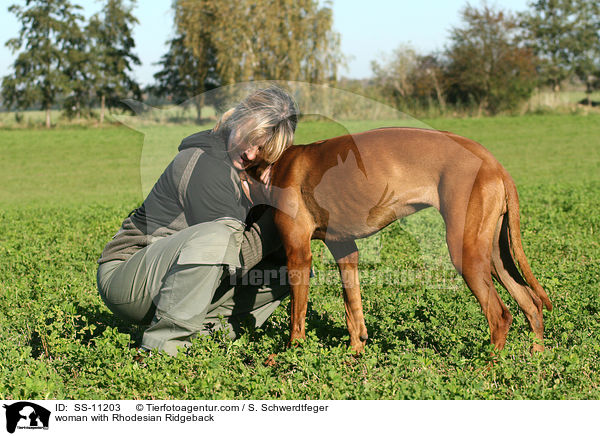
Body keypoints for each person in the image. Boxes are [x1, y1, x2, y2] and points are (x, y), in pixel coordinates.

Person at [96, 86, 298, 356]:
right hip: (128, 276)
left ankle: (207, 338)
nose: (251, 154)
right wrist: (279, 212)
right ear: (237, 118)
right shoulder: (206, 164)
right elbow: (235, 257)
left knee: (287, 269)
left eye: (263, 149)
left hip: (170, 277)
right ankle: (162, 352)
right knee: (216, 238)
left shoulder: (243, 170)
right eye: (249, 139)